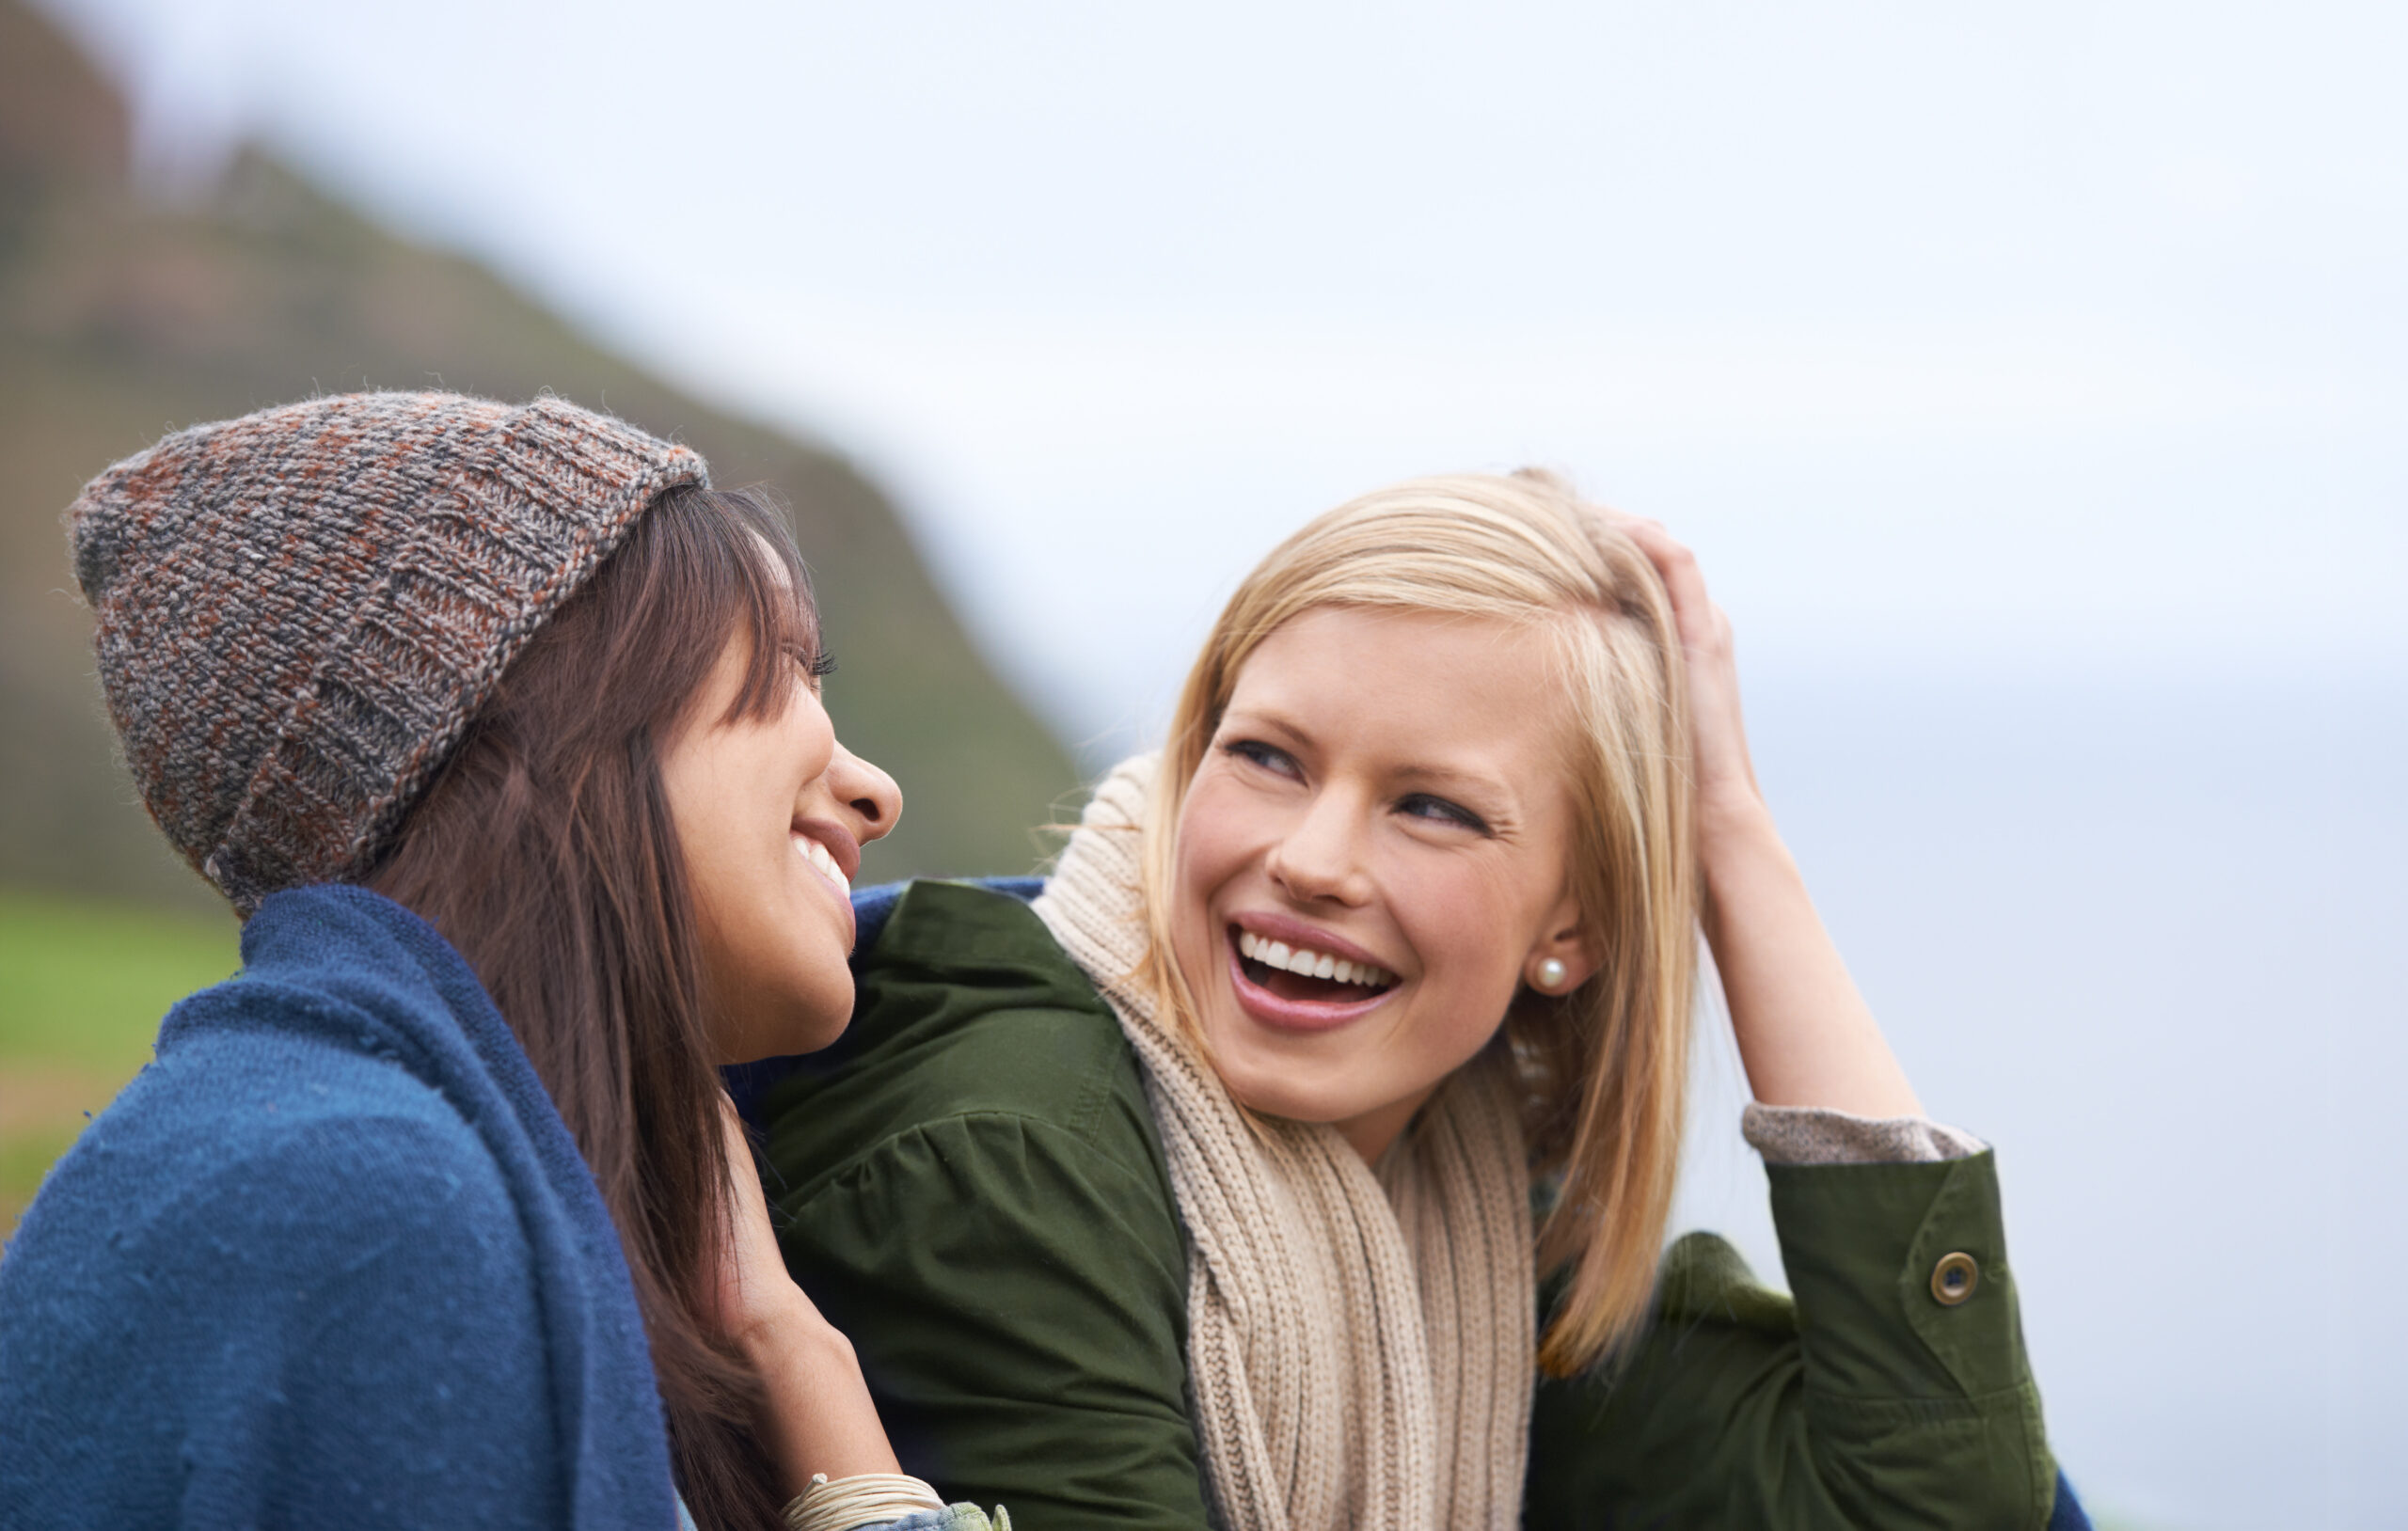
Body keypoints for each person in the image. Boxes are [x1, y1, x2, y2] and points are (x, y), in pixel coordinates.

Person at [752, 470, 2088, 1529]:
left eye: (1433, 808)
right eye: (1267, 756)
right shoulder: (1005, 1138)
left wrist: (1731, 840)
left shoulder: (1474, 1218)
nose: (1314, 860)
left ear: (1575, 927)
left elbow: (1939, 1502)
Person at [0, 393, 992, 1531]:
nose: (876, 788)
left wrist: (786, 1339)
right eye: (782, 675)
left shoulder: (342, 1155)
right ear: (553, 730)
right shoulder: (372, 1214)